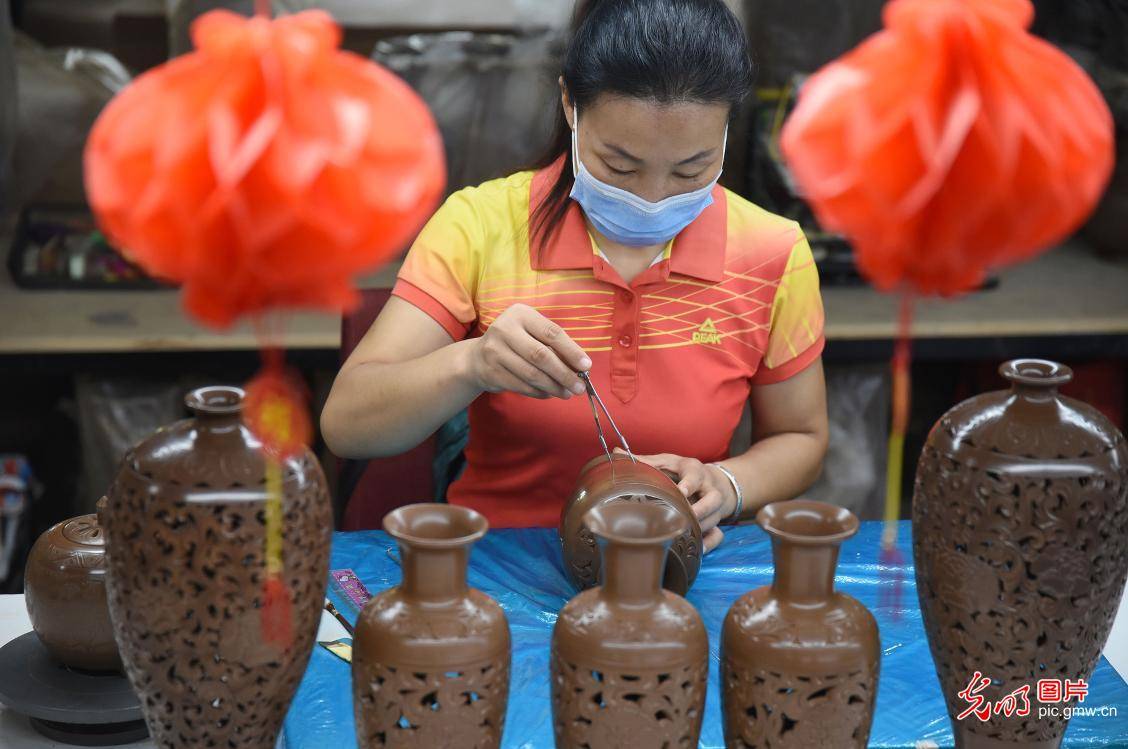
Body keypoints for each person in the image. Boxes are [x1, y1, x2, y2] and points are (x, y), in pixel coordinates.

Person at [321, 0, 828, 552]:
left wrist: (729, 486)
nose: (651, 198)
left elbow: (801, 437)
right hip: (499, 564)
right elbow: (348, 424)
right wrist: (472, 363)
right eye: (619, 165)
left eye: (691, 168)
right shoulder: (480, 226)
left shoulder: (772, 252)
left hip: (672, 563)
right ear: (570, 104)